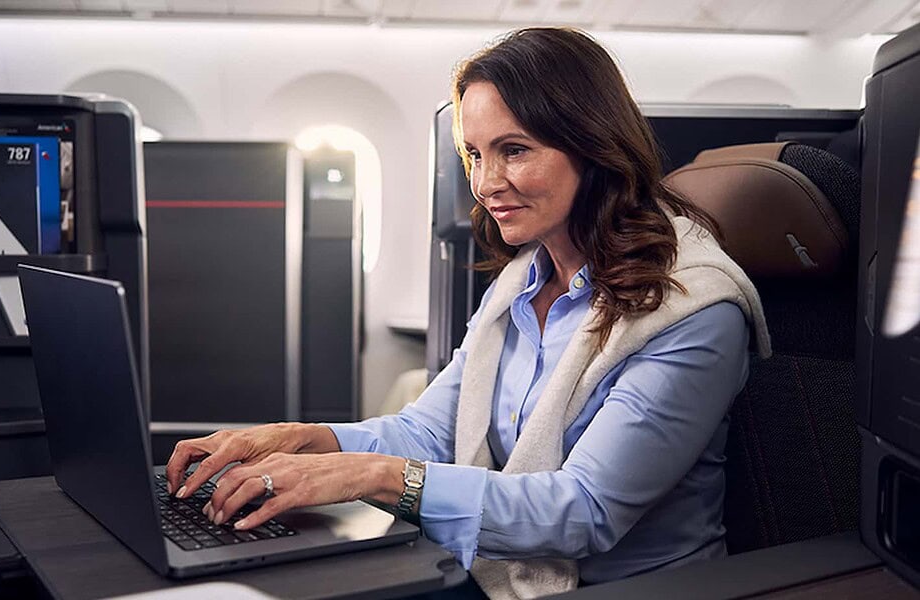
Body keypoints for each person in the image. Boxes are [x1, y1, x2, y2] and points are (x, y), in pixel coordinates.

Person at [165, 27, 770, 600]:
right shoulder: (521, 280)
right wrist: (304, 440)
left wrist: (372, 476)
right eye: (475, 154)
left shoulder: (693, 308)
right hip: (499, 574)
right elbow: (431, 431)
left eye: (514, 151)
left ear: (594, 147)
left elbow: (584, 510)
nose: (485, 182)